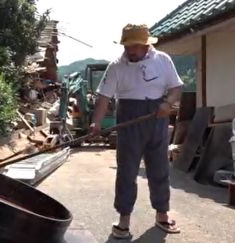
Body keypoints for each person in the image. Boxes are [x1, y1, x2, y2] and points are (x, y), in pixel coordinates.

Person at [90, 24, 183, 239]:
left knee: (159, 167)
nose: (130, 50)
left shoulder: (162, 60)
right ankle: (124, 220)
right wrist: (96, 123)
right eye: (126, 46)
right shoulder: (116, 66)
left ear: (145, 45)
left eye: (134, 46)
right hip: (129, 119)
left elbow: (176, 88)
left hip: (157, 117)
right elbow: (104, 97)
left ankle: (162, 214)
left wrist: (168, 103)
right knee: (127, 171)